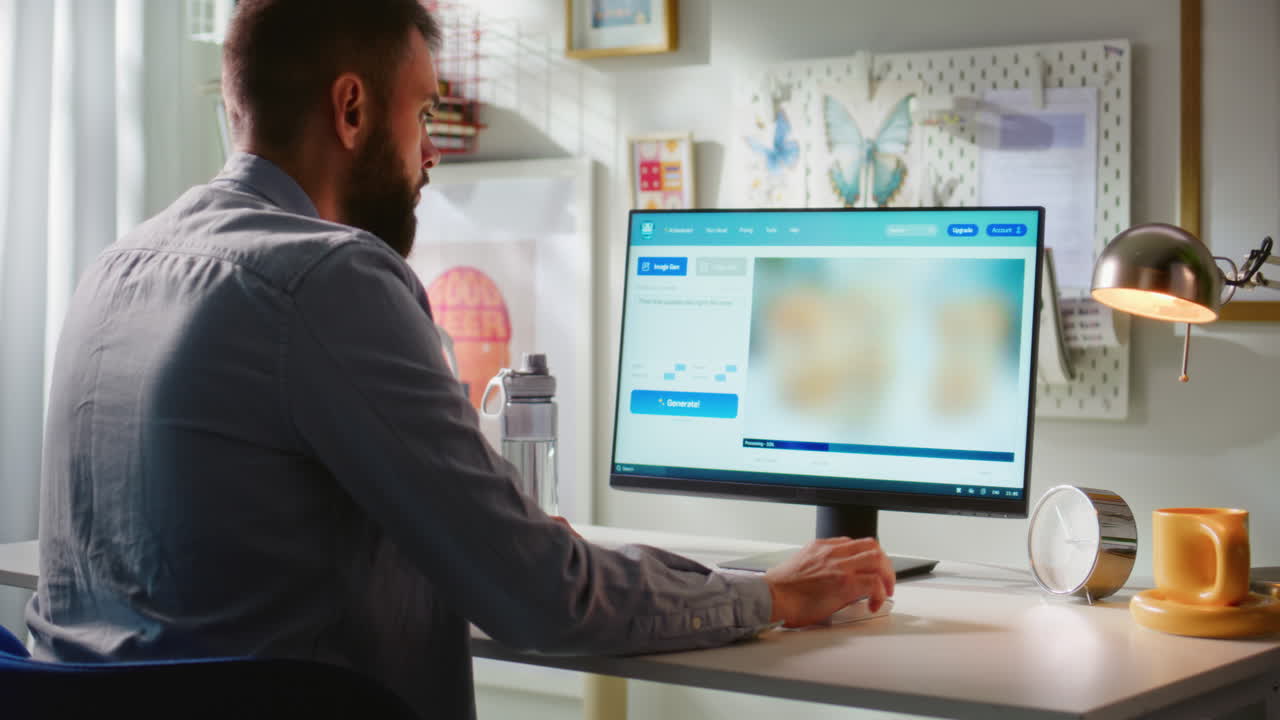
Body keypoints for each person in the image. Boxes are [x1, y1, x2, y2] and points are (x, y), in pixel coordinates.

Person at [25, 1, 895, 717]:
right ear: (353, 109)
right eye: (423, 114)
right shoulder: (332, 278)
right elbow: (537, 598)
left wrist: (493, 533)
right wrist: (769, 595)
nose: (431, 151)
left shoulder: (114, 268)